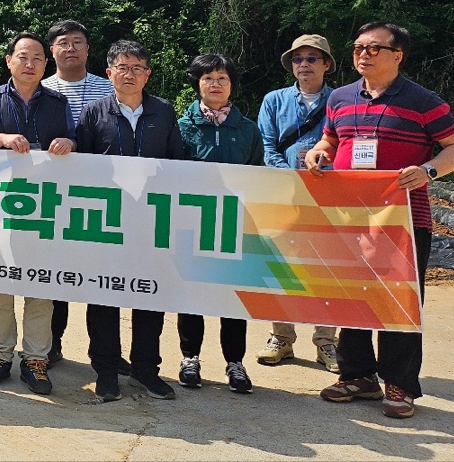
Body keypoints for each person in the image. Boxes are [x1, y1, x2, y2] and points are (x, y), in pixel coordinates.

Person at [308, 22, 454, 419]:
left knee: (399, 300)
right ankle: (357, 375)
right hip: (350, 217)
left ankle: (399, 383)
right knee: (352, 295)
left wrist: (429, 171)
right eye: (358, 47)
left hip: (403, 219)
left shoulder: (422, 100)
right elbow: (331, 139)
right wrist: (319, 151)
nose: (363, 54)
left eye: (374, 48)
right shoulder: (340, 98)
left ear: (397, 55)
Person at [0, 34, 74, 396]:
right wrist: (2, 139)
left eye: (37, 58)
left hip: (44, 209)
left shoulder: (58, 102)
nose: (30, 64)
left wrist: (69, 143)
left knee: (41, 288)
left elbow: (75, 140)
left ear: (46, 64)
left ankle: (35, 359)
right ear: (9, 60)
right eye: (23, 57)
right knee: (1, 285)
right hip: (0, 206)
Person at [75, 39, 186, 403]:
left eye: (137, 68)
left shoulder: (164, 112)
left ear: (147, 74)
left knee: (149, 295)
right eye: (122, 67)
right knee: (103, 297)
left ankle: (145, 369)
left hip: (152, 223)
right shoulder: (94, 112)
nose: (129, 74)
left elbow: (177, 163)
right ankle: (106, 371)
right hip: (107, 223)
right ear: (109, 73)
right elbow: (81, 170)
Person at [175, 53, 263, 394]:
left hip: (235, 225)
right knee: (191, 294)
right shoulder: (181, 127)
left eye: (222, 78)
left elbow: (258, 174)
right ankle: (190, 358)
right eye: (208, 78)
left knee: (232, 297)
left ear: (232, 85)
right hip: (192, 224)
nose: (215, 84)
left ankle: (235, 363)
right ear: (197, 84)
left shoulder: (248, 129)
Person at [255, 34, 340, 371]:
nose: (304, 64)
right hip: (284, 193)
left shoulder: (342, 100)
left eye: (312, 58)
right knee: (281, 266)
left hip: (329, 196)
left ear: (326, 64)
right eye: (298, 59)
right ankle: (281, 338)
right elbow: (267, 144)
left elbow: (345, 144)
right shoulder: (274, 100)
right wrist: (288, 176)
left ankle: (326, 341)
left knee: (328, 269)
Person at [40, 19, 114, 365]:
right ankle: (51, 344)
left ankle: (104, 351)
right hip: (53, 198)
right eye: (63, 43)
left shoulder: (109, 89)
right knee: (55, 275)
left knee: (100, 278)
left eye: (77, 42)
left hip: (101, 196)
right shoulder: (39, 89)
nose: (70, 48)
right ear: (51, 51)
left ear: (88, 49)